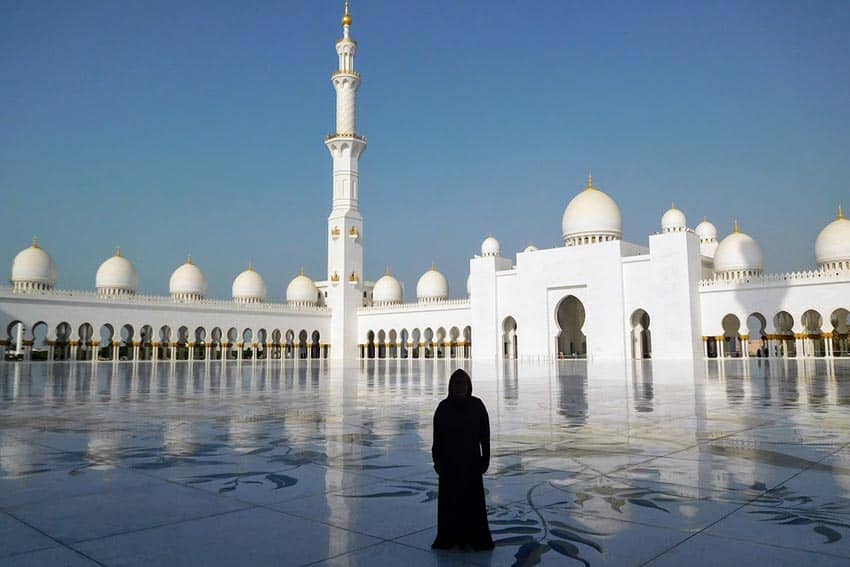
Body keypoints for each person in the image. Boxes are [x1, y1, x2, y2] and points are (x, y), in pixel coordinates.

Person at [431, 369, 494, 551]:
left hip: (471, 463)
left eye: (463, 383)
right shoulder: (444, 407)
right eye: (456, 384)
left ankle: (475, 538)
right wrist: (437, 460)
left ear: (469, 386)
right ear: (451, 386)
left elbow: (485, 435)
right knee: (451, 503)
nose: (460, 387)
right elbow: (437, 437)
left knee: (472, 503)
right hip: (450, 464)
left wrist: (486, 458)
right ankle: (450, 538)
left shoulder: (477, 406)